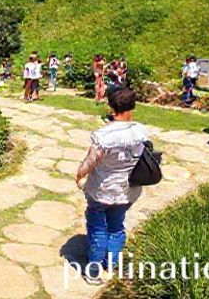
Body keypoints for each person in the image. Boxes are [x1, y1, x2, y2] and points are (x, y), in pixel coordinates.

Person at [75, 89, 149, 286]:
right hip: (127, 189)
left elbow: (91, 162)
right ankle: (111, 264)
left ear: (110, 107)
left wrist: (80, 174)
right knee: (116, 226)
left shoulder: (103, 135)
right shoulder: (141, 131)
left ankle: (93, 270)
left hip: (102, 189)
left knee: (98, 227)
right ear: (133, 106)